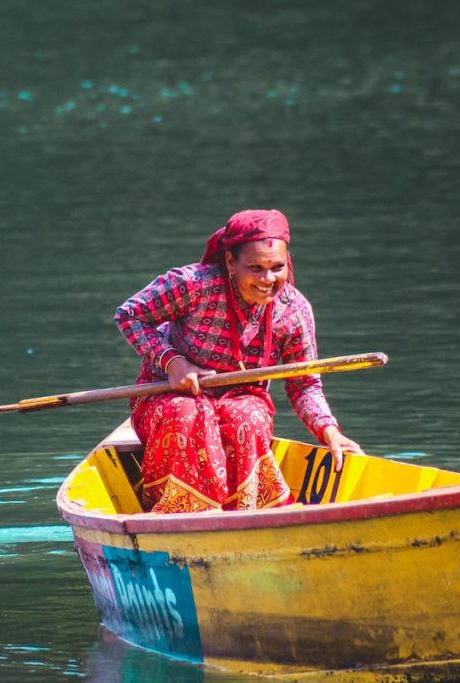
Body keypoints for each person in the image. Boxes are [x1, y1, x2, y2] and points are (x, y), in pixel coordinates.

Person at [114, 209, 362, 513]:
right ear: (230, 263)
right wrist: (172, 362)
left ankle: (243, 515)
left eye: (277, 267)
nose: (267, 279)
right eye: (255, 268)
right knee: (189, 412)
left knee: (249, 418)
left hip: (243, 399)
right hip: (169, 397)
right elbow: (129, 315)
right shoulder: (193, 284)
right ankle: (179, 513)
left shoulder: (293, 310)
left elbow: (304, 384)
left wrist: (329, 431)